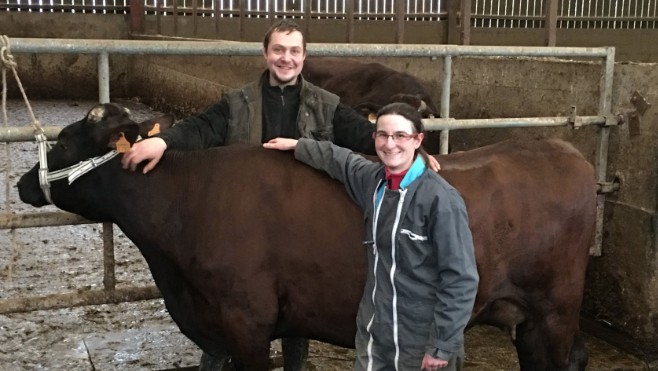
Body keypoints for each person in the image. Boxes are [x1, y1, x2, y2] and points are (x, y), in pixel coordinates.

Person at [121, 18, 439, 371]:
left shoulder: (325, 103)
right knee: (230, 306)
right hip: (246, 230)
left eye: (294, 51)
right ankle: (217, 352)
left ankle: (295, 364)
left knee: (295, 303)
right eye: (278, 50)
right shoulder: (239, 102)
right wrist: (162, 141)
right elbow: (201, 128)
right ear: (265, 54)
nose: (285, 58)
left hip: (298, 226)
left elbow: (361, 134)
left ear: (303, 57)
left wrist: (407, 151)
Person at [264, 102, 478, 371]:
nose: (390, 144)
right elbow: (341, 160)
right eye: (383, 135)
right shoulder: (373, 181)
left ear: (417, 140)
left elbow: (461, 279)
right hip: (376, 331)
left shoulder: (440, 200)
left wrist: (441, 346)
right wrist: (299, 146)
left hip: (420, 341)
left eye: (400, 136)